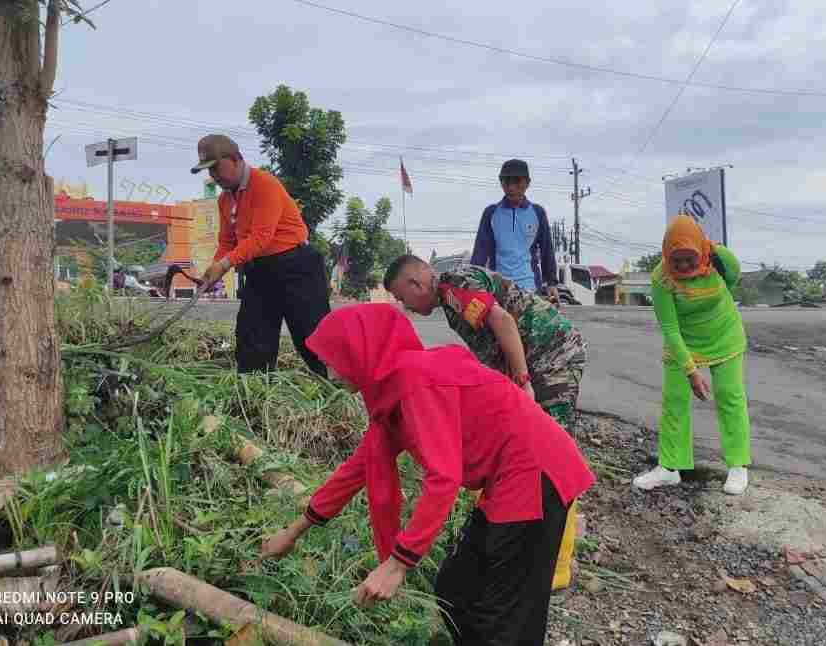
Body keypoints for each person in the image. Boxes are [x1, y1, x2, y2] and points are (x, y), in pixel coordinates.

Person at [260, 304, 595, 645]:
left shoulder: (417, 380)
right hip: (507, 477)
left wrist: (397, 564)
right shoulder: (389, 396)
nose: (330, 369)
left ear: (360, 352)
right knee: (456, 590)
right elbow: (355, 471)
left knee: (506, 614)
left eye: (334, 357)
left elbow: (443, 477)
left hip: (535, 473)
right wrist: (294, 531)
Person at [383, 254, 586, 590]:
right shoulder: (449, 299)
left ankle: (557, 565)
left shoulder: (454, 286)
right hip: (534, 361)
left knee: (550, 456)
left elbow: (503, 321)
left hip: (551, 358)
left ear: (417, 282)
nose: (405, 306)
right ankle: (521, 542)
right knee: (527, 454)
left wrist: (522, 382)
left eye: (402, 297)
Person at [190, 134, 330, 377]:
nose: (213, 176)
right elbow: (227, 241)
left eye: (215, 168)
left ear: (235, 159)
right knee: (252, 339)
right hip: (260, 271)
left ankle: (335, 388)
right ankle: (253, 394)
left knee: (313, 338)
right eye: (208, 171)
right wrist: (213, 270)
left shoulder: (265, 185)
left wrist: (224, 264)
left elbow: (261, 238)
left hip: (296, 267)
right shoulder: (225, 199)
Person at [633, 215, 752, 496]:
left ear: (702, 250)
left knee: (729, 396)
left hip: (725, 334)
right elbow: (670, 329)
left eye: (690, 259)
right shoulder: (660, 278)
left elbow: (732, 280)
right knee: (674, 400)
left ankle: (738, 465)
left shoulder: (721, 259)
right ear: (666, 255)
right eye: (677, 260)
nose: (684, 266)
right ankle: (669, 468)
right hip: (685, 340)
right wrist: (690, 370)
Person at [470, 159, 560, 304]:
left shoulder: (537, 213)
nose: (511, 187)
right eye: (506, 182)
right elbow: (480, 251)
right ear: (501, 183)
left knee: (527, 327)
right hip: (498, 289)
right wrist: (472, 282)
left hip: (530, 290)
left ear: (527, 183)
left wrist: (551, 283)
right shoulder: (491, 213)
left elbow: (546, 250)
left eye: (517, 181)